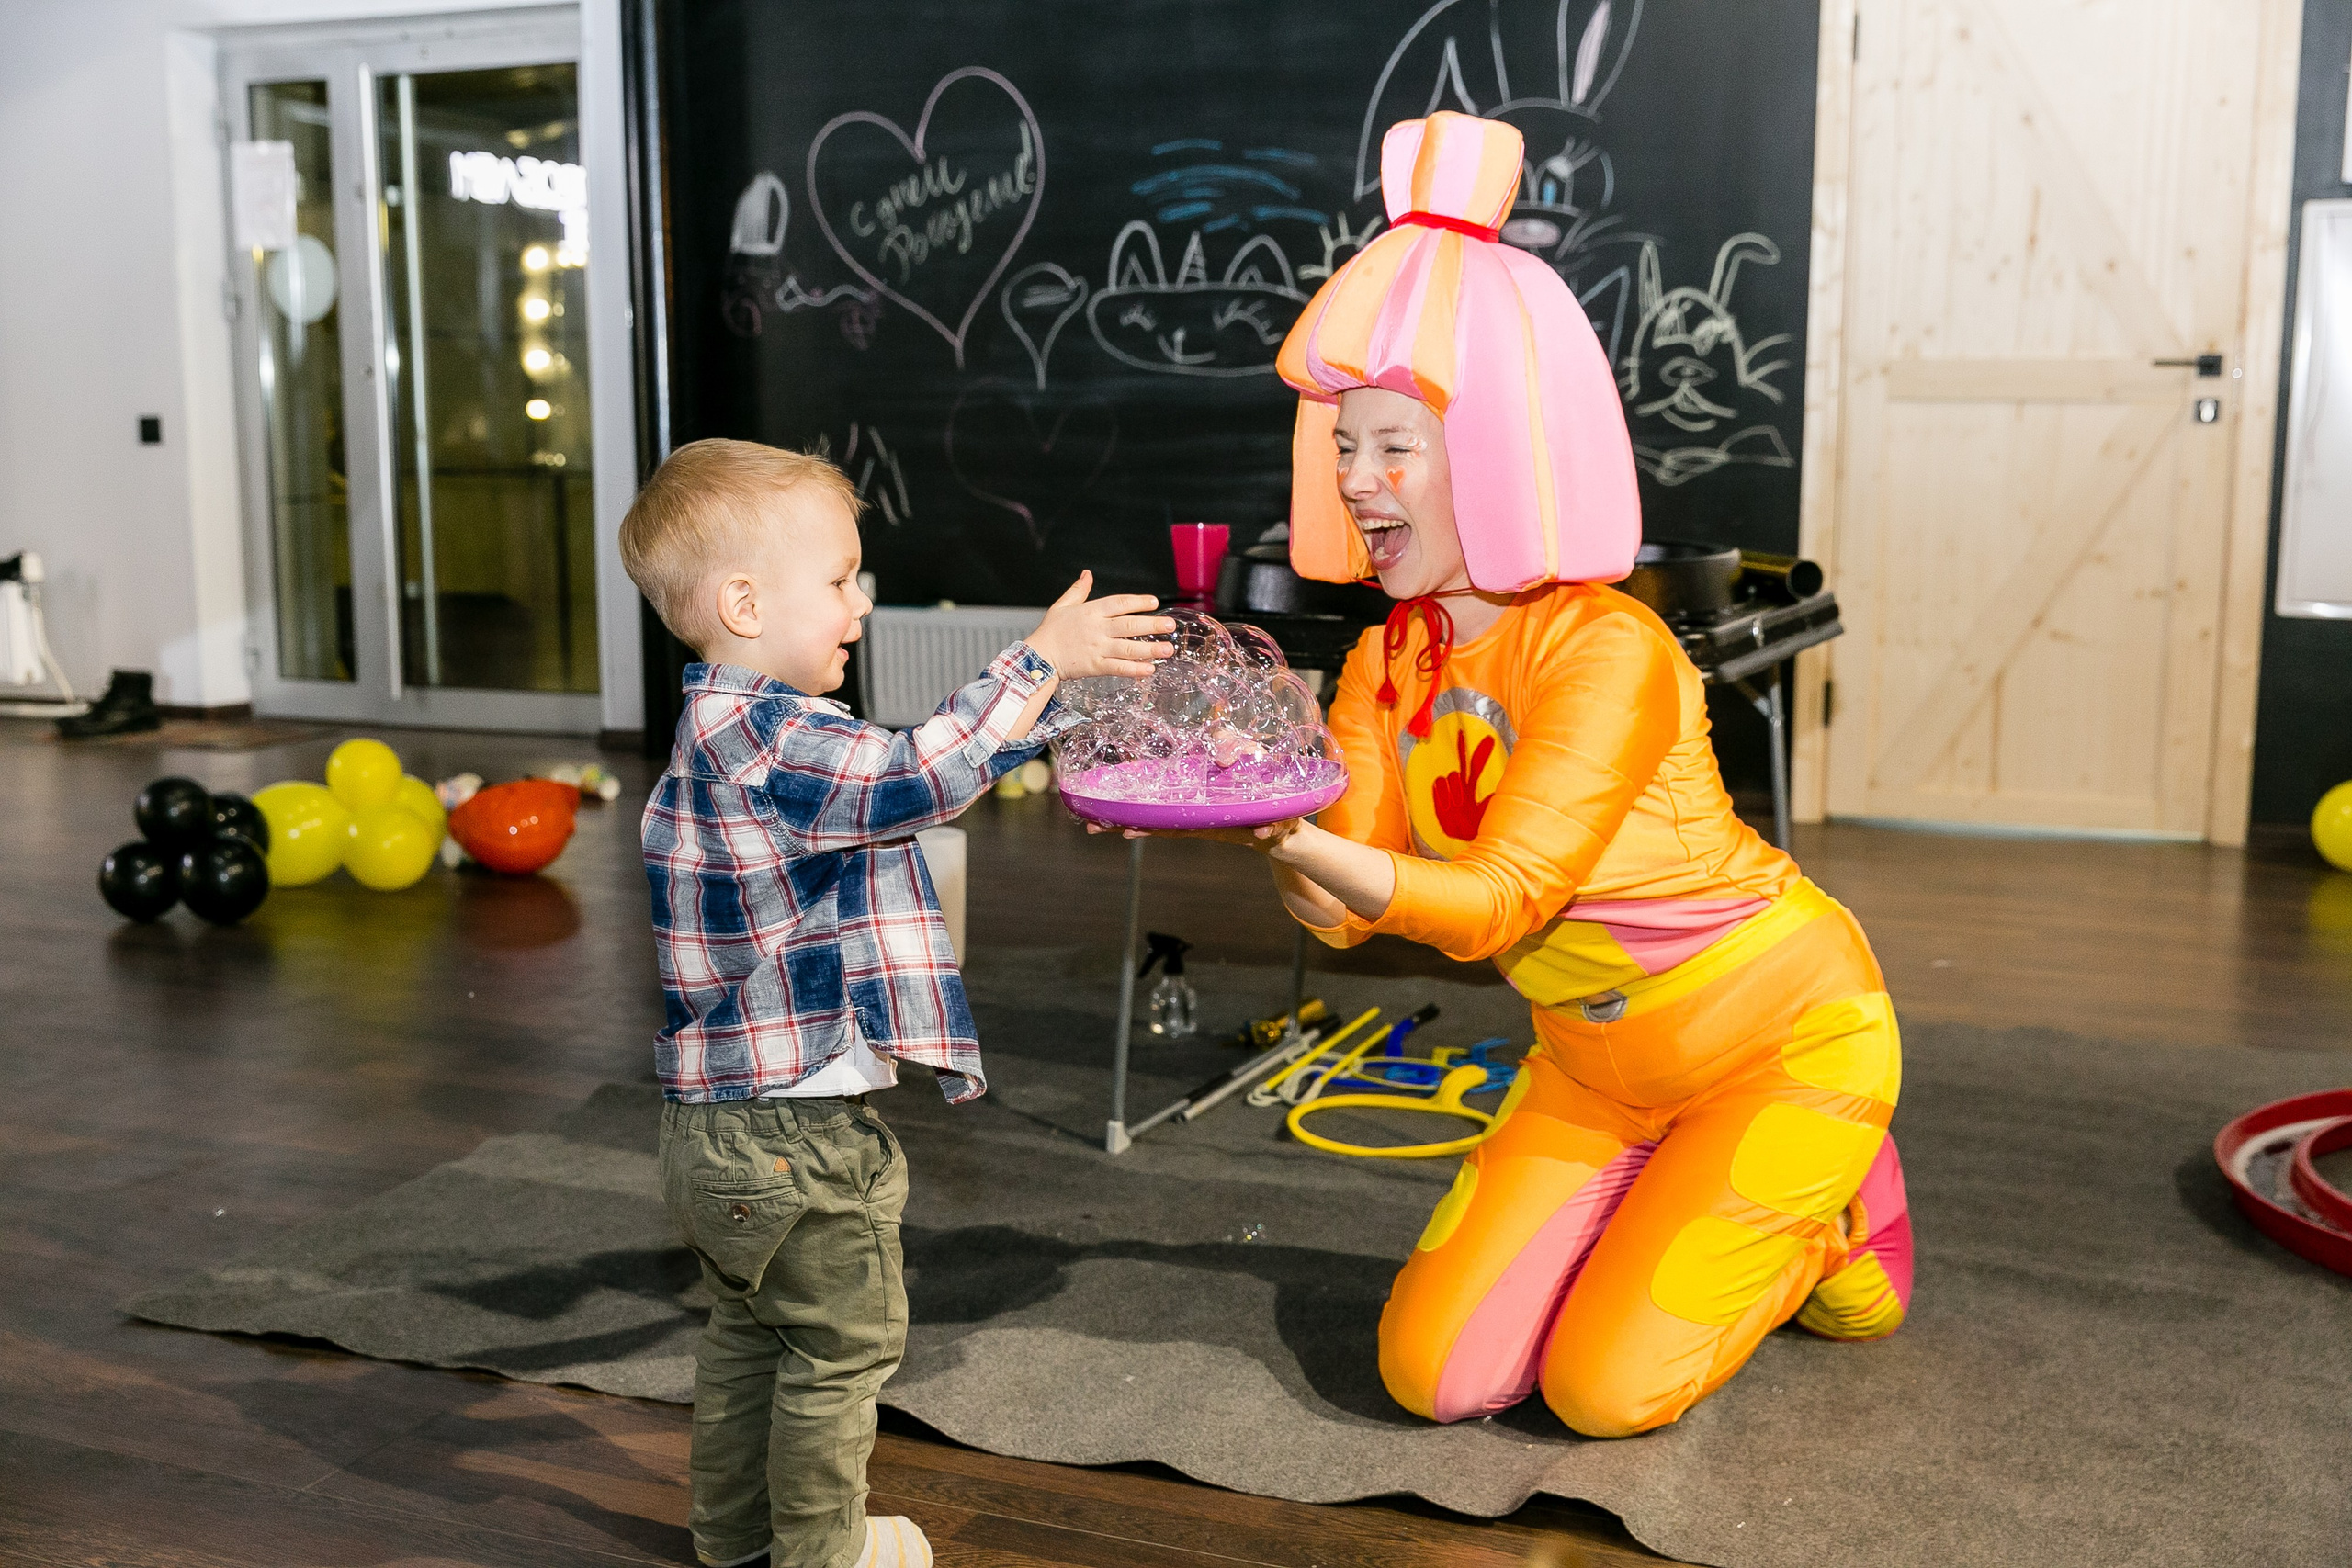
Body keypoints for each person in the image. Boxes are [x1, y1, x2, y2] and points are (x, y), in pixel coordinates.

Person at [1198, 112, 1914, 1438]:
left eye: (1393, 446)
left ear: (1498, 451)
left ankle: (1837, 1211)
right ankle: (1659, 1207)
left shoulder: (1612, 650)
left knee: (1603, 1391)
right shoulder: (1384, 659)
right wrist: (1276, 807)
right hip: (1593, 1064)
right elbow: (1349, 914)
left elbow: (1494, 905)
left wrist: (1291, 835)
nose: (1357, 482)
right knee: (1435, 1373)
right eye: (1342, 445)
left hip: (1777, 1037)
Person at [620, 438, 1170, 1568]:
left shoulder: (727, 732)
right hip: (792, 1137)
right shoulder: (773, 737)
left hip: (711, 1132)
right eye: (838, 580)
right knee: (840, 1353)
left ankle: (732, 1541)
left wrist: (1070, 744)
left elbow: (903, 781)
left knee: (750, 1332)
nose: (859, 605)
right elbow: (917, 773)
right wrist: (1039, 663)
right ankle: (824, 1556)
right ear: (742, 600)